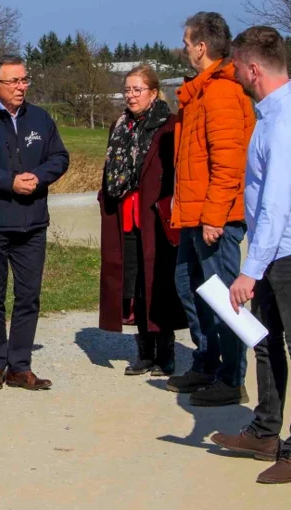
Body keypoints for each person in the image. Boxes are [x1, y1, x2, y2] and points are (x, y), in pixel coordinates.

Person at [212, 27, 291, 485]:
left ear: (254, 68)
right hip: (275, 250)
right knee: (264, 343)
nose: (238, 76)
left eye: (239, 68)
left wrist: (249, 271)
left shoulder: (286, 122)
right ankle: (265, 431)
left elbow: (278, 202)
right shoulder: (271, 115)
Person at [0, 55, 69, 391]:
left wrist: (40, 176)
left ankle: (20, 366)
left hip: (32, 223)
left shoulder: (40, 118)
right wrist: (9, 181)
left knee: (28, 296)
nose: (22, 87)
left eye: (25, 80)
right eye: (14, 81)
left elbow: (60, 157)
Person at [167, 12, 257, 406]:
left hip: (214, 218)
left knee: (224, 299)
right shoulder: (200, 92)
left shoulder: (220, 92)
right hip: (194, 214)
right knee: (189, 287)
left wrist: (215, 216)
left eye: (187, 43)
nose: (184, 49)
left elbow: (229, 162)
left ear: (202, 47)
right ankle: (207, 361)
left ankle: (231, 378)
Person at [98, 65, 185, 376]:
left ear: (153, 92)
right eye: (127, 90)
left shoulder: (169, 125)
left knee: (158, 281)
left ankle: (166, 352)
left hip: (157, 216)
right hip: (126, 216)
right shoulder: (120, 126)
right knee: (133, 282)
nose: (131, 95)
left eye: (137, 89)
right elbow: (111, 171)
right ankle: (144, 352)